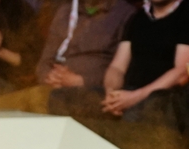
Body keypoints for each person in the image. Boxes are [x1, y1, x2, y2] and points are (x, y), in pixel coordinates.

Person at [49, 0, 189, 123]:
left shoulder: (185, 14)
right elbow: (117, 67)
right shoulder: (138, 17)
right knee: (61, 98)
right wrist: (112, 94)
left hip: (162, 98)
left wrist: (135, 97)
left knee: (134, 116)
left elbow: (181, 72)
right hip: (126, 93)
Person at [0, 0, 135, 113]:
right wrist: (50, 78)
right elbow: (44, 61)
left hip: (92, 91)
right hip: (52, 88)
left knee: (40, 100)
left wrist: (80, 81)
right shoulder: (65, 11)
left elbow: (123, 67)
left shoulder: (126, 13)